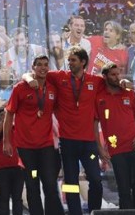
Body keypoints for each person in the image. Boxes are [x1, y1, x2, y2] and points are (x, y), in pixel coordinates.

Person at [24, 46, 103, 215]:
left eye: (73, 60)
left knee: (96, 180)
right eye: (69, 60)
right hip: (67, 142)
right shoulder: (59, 77)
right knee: (70, 183)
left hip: (89, 142)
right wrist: (28, 77)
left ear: (83, 62)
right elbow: (36, 73)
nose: (69, 63)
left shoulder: (95, 81)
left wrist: (123, 83)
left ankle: (94, 211)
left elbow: (113, 83)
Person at [3, 54, 64, 215]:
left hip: (47, 146)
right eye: (39, 65)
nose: (43, 67)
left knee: (50, 184)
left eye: (46, 64)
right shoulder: (20, 88)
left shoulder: (52, 89)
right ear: (33, 68)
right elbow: (9, 115)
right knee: (32, 184)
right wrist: (6, 141)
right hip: (26, 147)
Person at [96, 63, 135, 209]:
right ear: (105, 77)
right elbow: (94, 125)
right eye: (113, 75)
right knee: (124, 190)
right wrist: (100, 149)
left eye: (118, 74)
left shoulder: (129, 92)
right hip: (116, 150)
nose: (117, 77)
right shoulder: (98, 97)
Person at [0, 108, 23, 215]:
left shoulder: (17, 127)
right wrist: (4, 120)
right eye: (1, 114)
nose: (5, 115)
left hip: (18, 167)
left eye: (7, 114)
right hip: (3, 168)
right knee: (4, 197)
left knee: (17, 198)